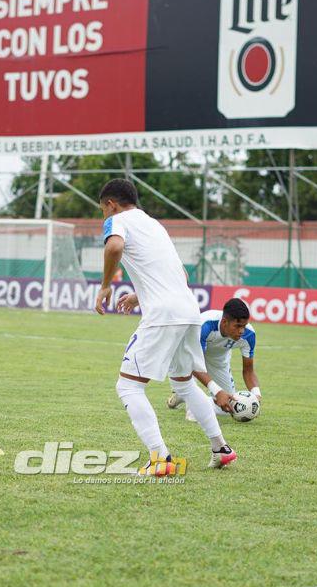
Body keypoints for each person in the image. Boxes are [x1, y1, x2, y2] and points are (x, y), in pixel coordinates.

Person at [94, 178, 237, 475]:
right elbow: (180, 273)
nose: (103, 217)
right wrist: (139, 294)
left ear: (111, 204)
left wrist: (106, 286)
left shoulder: (117, 221)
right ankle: (221, 448)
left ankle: (160, 458)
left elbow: (114, 247)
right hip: (188, 309)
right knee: (184, 383)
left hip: (163, 314)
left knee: (129, 386)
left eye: (102, 210)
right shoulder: (154, 224)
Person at [162, 298, 261, 419]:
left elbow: (248, 371)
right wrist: (217, 391)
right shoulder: (204, 325)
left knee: (228, 406)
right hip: (188, 355)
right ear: (224, 322)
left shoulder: (249, 334)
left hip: (218, 360)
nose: (241, 331)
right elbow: (195, 364)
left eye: (244, 326)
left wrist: (256, 394)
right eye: (238, 326)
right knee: (193, 416)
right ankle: (186, 394)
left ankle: (184, 396)